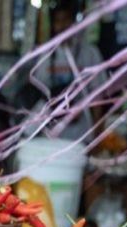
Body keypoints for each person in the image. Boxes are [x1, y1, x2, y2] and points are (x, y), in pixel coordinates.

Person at [33, 0, 107, 141]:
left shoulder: (89, 53)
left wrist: (97, 135)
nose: (62, 26)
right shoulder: (46, 55)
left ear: (74, 23)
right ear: (53, 25)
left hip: (82, 135)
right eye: (58, 21)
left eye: (66, 20)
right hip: (52, 136)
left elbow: (98, 98)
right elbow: (39, 95)